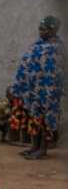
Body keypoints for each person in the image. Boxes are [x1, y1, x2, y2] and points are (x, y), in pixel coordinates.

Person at [8, 15, 65, 160]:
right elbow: (26, 66)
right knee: (34, 118)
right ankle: (34, 147)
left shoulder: (58, 48)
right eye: (40, 29)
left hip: (49, 91)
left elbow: (57, 71)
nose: (41, 32)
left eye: (44, 29)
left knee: (46, 119)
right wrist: (18, 85)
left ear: (54, 30)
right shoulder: (36, 45)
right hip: (33, 90)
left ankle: (43, 149)